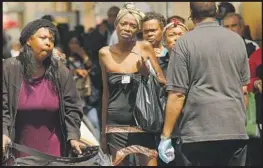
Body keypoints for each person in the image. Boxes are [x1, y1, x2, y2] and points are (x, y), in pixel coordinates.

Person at [158, 2, 250, 166]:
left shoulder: (184, 44)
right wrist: (239, 122)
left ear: (191, 15)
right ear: (216, 12)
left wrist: (165, 135)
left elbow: (177, 94)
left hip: (198, 132)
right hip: (234, 130)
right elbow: (243, 90)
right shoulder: (237, 41)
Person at [2, 19, 86, 159]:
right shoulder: (10, 68)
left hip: (54, 151)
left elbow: (73, 107)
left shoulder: (60, 71)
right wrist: (3, 133)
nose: (48, 42)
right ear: (29, 41)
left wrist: (73, 136)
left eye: (51, 40)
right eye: (43, 38)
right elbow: (3, 107)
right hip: (18, 150)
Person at [99, 3, 166, 166]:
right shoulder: (104, 53)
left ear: (138, 29)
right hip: (116, 123)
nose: (127, 28)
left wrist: (146, 73)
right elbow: (106, 93)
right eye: (124, 23)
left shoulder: (144, 47)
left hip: (143, 121)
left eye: (133, 25)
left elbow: (163, 83)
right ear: (116, 25)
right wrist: (102, 132)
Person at [142, 12, 169, 76]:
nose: (149, 34)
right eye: (145, 31)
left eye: (153, 30)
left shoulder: (170, 54)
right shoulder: (136, 54)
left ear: (163, 30)